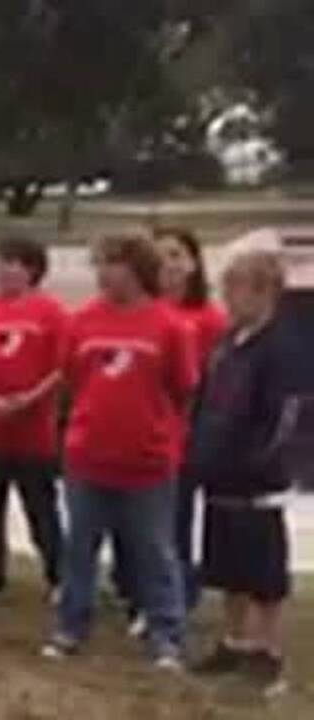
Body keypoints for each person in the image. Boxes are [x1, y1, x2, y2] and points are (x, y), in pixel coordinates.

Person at [43, 235, 197, 670]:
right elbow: (71, 381)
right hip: (88, 457)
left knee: (155, 551)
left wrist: (161, 432)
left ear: (137, 270)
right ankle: (71, 627)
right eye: (100, 264)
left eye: (113, 264)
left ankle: (166, 635)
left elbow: (182, 390)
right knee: (80, 549)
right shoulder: (82, 322)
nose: (104, 274)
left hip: (148, 462)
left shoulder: (170, 326)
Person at [187, 250, 298, 696]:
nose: (227, 297)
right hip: (218, 476)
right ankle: (234, 641)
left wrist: (258, 463)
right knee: (227, 568)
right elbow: (205, 401)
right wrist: (198, 451)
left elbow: (284, 417)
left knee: (264, 574)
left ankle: (267, 652)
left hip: (257, 481)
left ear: (264, 291)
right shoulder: (226, 344)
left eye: (234, 288)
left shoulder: (281, 349)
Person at [0, 236, 65, 599]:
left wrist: (30, 398)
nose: (4, 271)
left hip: (33, 430)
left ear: (32, 270)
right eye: (0, 263)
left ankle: (58, 573)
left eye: (13, 263)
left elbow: (61, 368)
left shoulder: (50, 312)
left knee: (40, 506)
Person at [153, 227, 227, 611]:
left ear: (194, 263)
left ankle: (182, 591)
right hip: (150, 429)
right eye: (160, 256)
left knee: (179, 516)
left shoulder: (209, 319)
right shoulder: (145, 312)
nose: (169, 265)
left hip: (194, 428)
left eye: (176, 255)